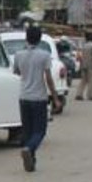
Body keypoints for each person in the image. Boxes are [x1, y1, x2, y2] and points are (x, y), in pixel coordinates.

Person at [12, 25, 61, 173]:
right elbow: (48, 78)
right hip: (39, 98)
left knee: (27, 131)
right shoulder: (44, 55)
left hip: (24, 97)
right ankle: (29, 149)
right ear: (39, 39)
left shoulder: (18, 54)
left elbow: (17, 72)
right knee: (39, 131)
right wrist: (55, 97)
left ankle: (31, 161)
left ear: (26, 38)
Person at [75, 30, 92, 100]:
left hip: (84, 65)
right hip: (91, 65)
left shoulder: (84, 45)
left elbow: (81, 56)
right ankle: (90, 95)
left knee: (83, 81)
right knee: (91, 81)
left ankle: (79, 94)